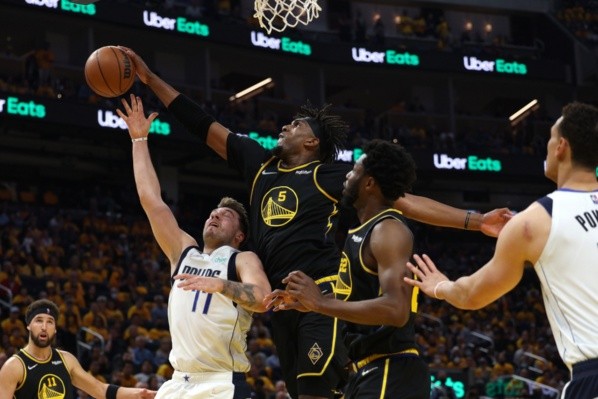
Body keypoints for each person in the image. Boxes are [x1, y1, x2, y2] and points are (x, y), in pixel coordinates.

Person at [120, 46, 512, 399]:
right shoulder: (259, 165)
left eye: (296, 126)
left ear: (312, 144)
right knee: (308, 391)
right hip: (281, 303)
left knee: (312, 391)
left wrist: (476, 221)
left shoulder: (330, 176)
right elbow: (201, 124)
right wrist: (150, 79)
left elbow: (403, 201)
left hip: (320, 294)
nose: (285, 127)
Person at [404, 102, 598, 399]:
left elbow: (471, 295)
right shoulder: (532, 221)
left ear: (561, 147)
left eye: (548, 138)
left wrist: (440, 285)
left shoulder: (534, 222)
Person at [116, 95, 271, 399]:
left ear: (239, 236)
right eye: (214, 211)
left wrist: (221, 285)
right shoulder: (184, 250)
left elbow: (263, 298)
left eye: (226, 216)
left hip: (221, 382)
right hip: (177, 383)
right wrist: (138, 140)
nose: (215, 215)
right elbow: (152, 201)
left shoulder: (241, 259)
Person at [263, 140, 430, 398]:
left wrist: (320, 304)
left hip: (390, 368)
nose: (347, 176)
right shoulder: (363, 232)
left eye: (353, 171)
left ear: (369, 183)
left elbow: (397, 310)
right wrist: (308, 301)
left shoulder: (387, 230)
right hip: (366, 370)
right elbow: (356, 299)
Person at [0, 299, 156, 399]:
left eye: (50, 322)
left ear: (55, 329)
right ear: (28, 326)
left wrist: (139, 393)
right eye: (38, 321)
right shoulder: (14, 366)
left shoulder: (66, 360)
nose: (44, 327)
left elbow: (100, 390)